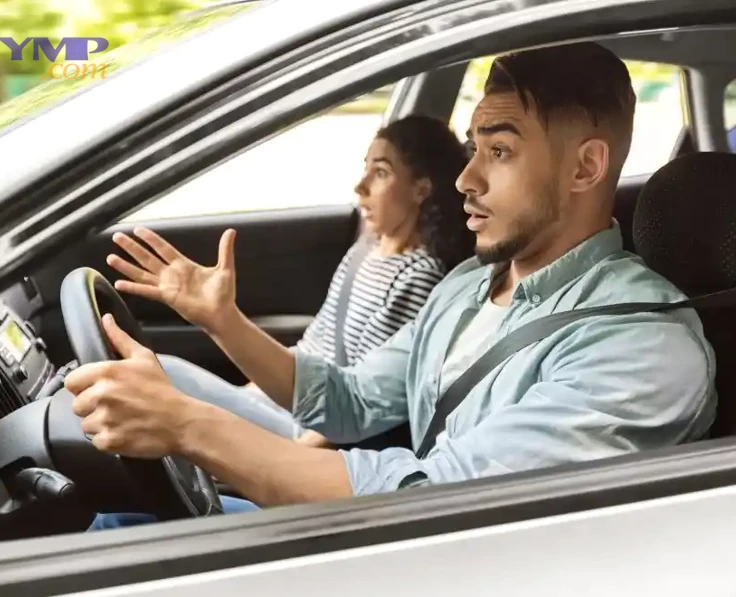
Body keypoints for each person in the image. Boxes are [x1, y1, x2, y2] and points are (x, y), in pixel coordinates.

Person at [66, 42, 717, 527]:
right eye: (473, 148)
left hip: (445, 559)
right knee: (123, 520)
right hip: (404, 537)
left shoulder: (646, 346)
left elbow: (437, 500)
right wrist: (223, 321)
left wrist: (190, 426)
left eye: (499, 151)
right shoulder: (466, 285)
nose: (466, 179)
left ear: (585, 167)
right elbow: (345, 401)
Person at [106, 114, 473, 446]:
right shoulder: (366, 250)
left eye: (380, 173)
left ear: (421, 190)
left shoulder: (418, 277)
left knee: (165, 373)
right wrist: (247, 395)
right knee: (161, 375)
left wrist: (290, 460)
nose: (360, 186)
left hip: (311, 429)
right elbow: (312, 347)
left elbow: (362, 400)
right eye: (366, 169)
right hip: (287, 401)